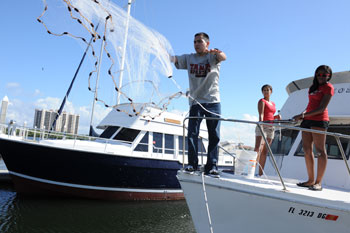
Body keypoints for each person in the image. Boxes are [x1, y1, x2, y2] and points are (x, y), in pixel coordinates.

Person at [171, 32, 227, 177]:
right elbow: (174, 59)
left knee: (214, 135)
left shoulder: (213, 56)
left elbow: (223, 57)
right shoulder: (189, 58)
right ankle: (192, 164)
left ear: (207, 43)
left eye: (199, 42)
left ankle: (212, 166)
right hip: (196, 102)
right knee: (192, 134)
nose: (196, 44)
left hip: (213, 101)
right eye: (194, 42)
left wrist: (218, 52)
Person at [293, 65, 334, 191]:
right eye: (319, 74)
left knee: (320, 151)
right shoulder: (312, 87)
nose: (321, 77)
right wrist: (302, 114)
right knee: (306, 149)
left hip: (319, 120)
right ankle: (310, 180)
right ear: (315, 75)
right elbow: (310, 105)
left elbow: (321, 108)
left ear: (328, 76)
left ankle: (318, 183)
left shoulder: (328, 87)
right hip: (307, 120)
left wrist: (303, 115)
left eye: (324, 75)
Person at [254, 84, 281, 176]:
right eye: (264, 90)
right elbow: (261, 114)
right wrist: (261, 125)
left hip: (271, 128)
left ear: (271, 91)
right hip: (263, 127)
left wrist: (276, 117)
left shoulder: (273, 104)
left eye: (268, 90)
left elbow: (270, 115)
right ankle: (251, 171)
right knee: (258, 149)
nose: (266, 91)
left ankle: (260, 174)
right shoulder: (262, 101)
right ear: (262, 92)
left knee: (265, 151)